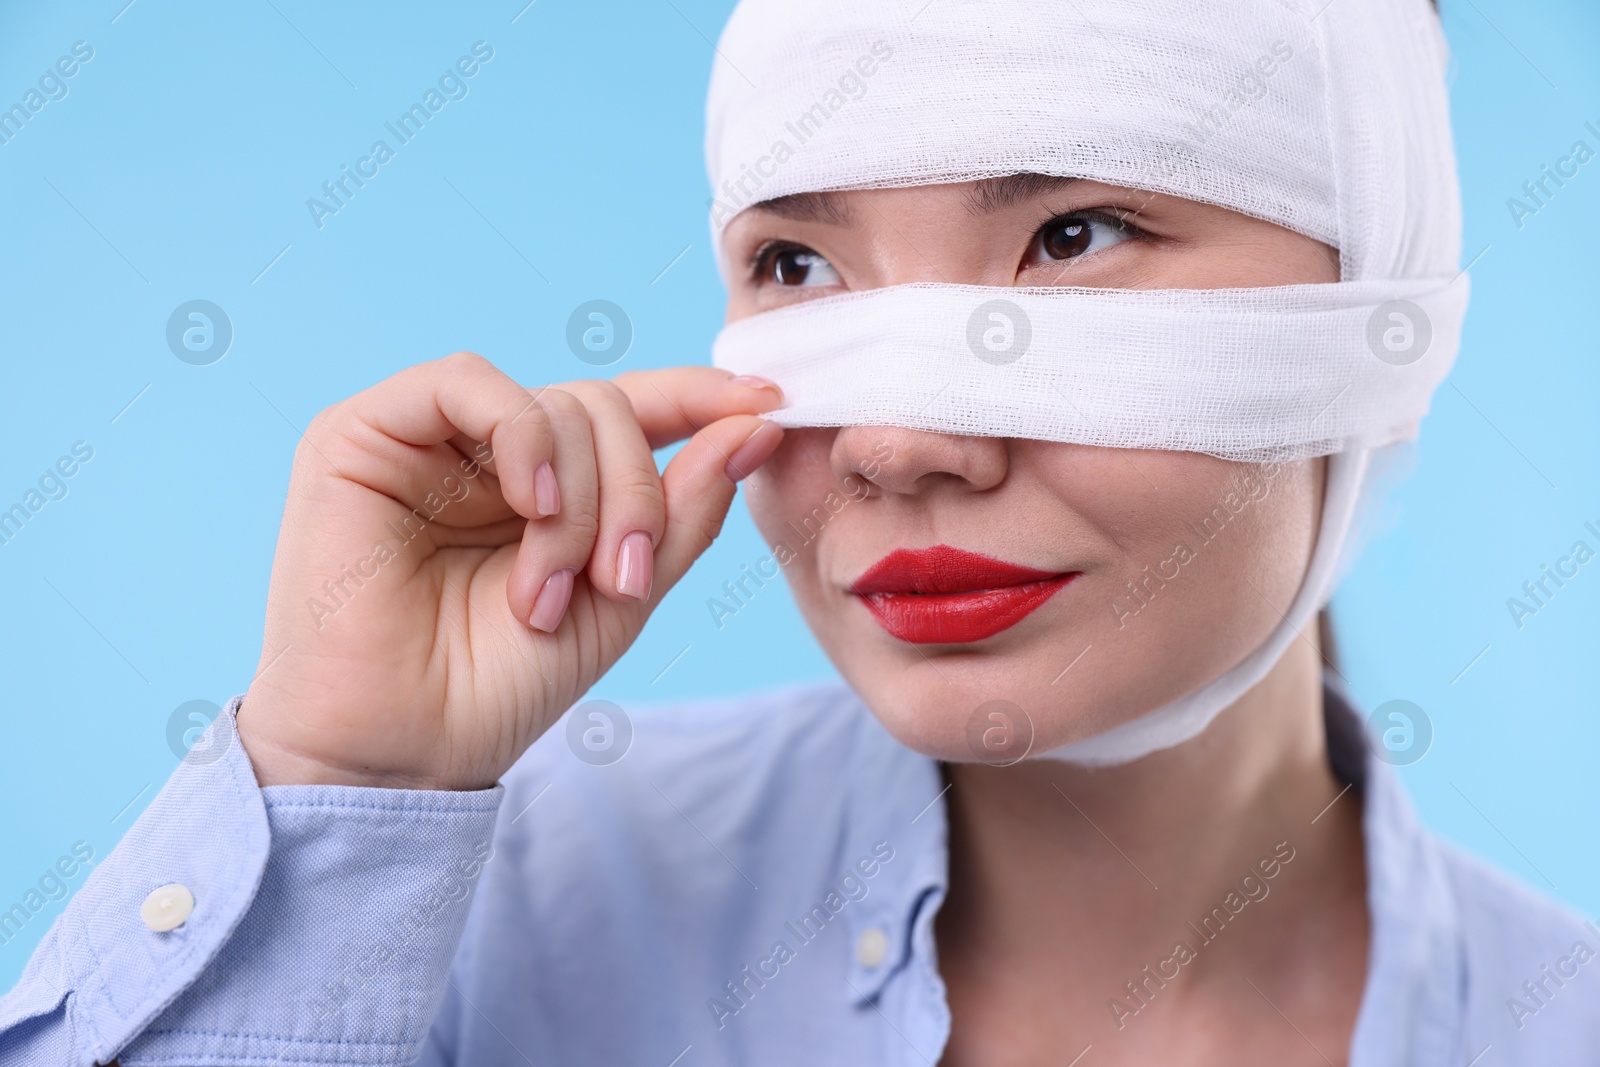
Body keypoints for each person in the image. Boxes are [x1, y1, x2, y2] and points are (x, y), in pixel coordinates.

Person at [4, 0, 1597, 1064]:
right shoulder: (489, 896)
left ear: (1379, 305)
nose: (901, 444)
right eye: (797, 269)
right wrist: (335, 790)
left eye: (1074, 235)